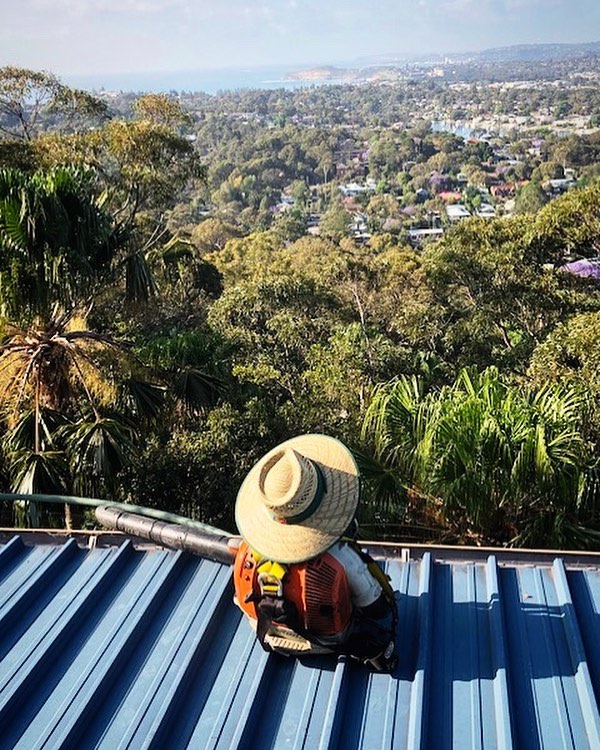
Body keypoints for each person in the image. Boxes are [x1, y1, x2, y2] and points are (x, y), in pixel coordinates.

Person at [233, 433, 398, 672]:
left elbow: (240, 600)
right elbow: (376, 607)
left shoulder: (248, 549)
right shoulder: (341, 558)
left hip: (266, 631)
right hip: (325, 642)